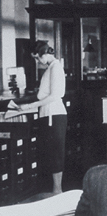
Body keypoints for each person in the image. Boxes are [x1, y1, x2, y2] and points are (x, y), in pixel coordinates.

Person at [19, 41, 67, 194]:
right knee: (51, 153)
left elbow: (54, 95)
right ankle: (55, 190)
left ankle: (57, 190)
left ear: (44, 54)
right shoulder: (51, 68)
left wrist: (28, 107)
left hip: (54, 114)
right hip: (48, 114)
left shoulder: (56, 68)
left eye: (37, 58)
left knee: (55, 153)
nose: (37, 61)